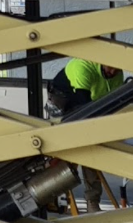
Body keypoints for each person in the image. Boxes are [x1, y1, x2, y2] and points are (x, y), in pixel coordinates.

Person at [49, 58, 124, 212]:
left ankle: (92, 201)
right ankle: (53, 195)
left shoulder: (117, 74)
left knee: (90, 149)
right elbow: (83, 106)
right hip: (64, 98)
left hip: (91, 103)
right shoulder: (82, 67)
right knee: (73, 149)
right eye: (110, 68)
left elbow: (114, 102)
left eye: (116, 70)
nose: (112, 73)